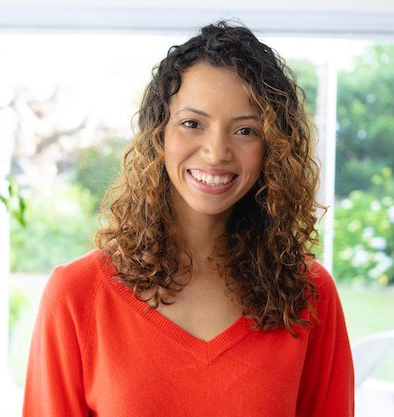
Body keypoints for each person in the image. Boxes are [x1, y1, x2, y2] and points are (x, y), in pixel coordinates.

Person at [22, 20, 354, 417]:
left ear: (273, 149)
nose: (216, 152)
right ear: (158, 135)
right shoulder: (77, 295)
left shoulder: (309, 296)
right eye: (192, 124)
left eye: (246, 130)